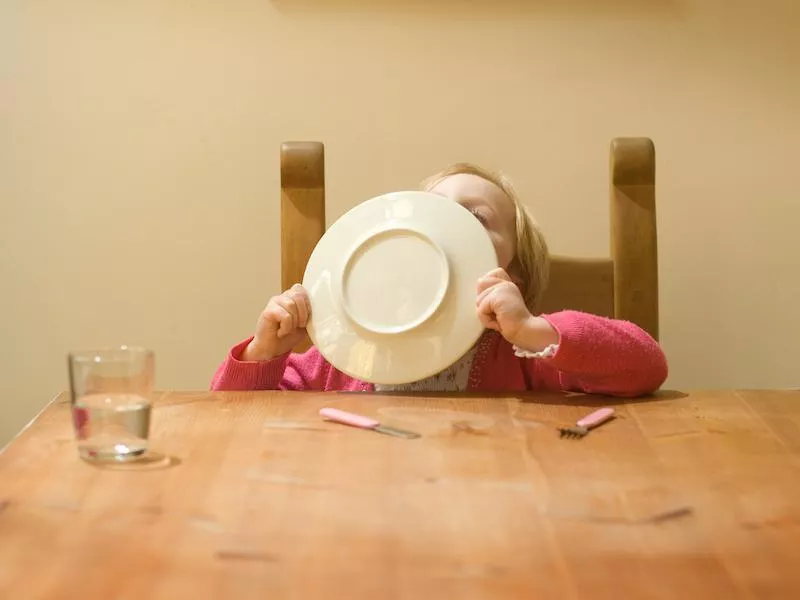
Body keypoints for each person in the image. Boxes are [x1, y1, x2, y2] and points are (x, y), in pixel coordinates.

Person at [211, 163, 668, 397]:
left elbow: (646, 366)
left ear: (513, 277)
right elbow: (231, 415)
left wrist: (534, 331)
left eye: (475, 218)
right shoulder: (342, 356)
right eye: (436, 214)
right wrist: (263, 353)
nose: (451, 227)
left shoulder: (526, 356)